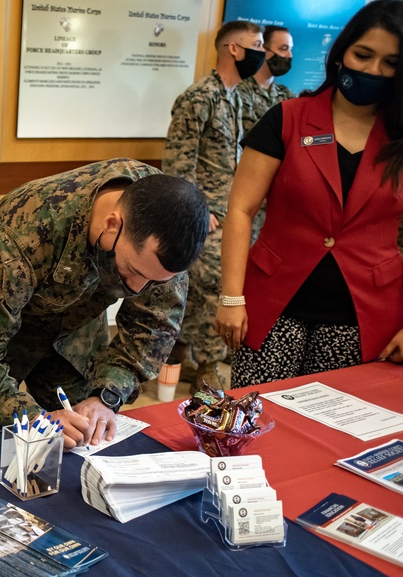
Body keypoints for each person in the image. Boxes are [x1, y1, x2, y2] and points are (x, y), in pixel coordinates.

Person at [0, 159, 209, 449]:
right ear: (112, 224)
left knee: (80, 437)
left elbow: (154, 325)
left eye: (154, 281)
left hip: (77, 324)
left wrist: (105, 397)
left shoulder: (169, 223)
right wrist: (33, 418)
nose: (136, 289)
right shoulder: (23, 233)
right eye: (133, 271)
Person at [217, 0, 403, 387]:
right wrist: (231, 297)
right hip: (274, 304)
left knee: (334, 432)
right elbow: (241, 209)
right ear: (341, 54)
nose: (373, 70)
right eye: (363, 54)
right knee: (255, 420)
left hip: (366, 314)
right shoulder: (288, 118)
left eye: (390, 63)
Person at [162, 21, 265, 390]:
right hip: (207, 216)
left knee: (209, 290)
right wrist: (196, 213)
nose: (262, 53)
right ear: (233, 49)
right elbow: (178, 162)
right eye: (256, 44)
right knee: (210, 291)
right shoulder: (199, 97)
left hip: (232, 213)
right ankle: (205, 366)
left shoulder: (239, 96)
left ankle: (185, 356)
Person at [238, 25, 296, 241]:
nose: (289, 56)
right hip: (241, 196)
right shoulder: (238, 92)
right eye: (283, 49)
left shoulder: (288, 97)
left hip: (276, 204)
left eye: (290, 49)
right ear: (264, 50)